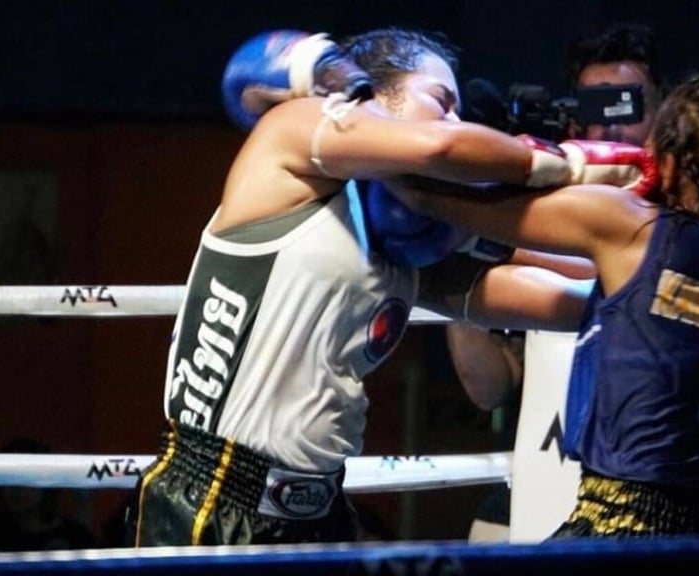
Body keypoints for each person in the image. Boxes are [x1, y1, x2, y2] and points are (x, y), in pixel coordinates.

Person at [127, 27, 656, 547]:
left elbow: (561, 294)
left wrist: (655, 268)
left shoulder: (405, 238)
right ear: (375, 96)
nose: (454, 120)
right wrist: (577, 163)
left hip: (319, 511)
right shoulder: (293, 136)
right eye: (440, 99)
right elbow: (440, 146)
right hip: (209, 499)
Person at [383, 66, 699, 537]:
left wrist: (376, 155)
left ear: (669, 162)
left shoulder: (633, 229)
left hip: (628, 525)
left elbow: (453, 203)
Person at [448, 22, 667, 542]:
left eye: (626, 104)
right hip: (546, 480)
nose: (611, 126)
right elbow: (489, 388)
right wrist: (457, 273)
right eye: (597, 107)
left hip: (644, 488)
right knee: (486, 530)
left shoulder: (687, 214)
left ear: (663, 112)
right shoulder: (544, 213)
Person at [0, 438, 100, 551]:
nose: (15, 489)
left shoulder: (74, 535)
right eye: (9, 478)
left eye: (23, 478)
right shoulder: (1, 533)